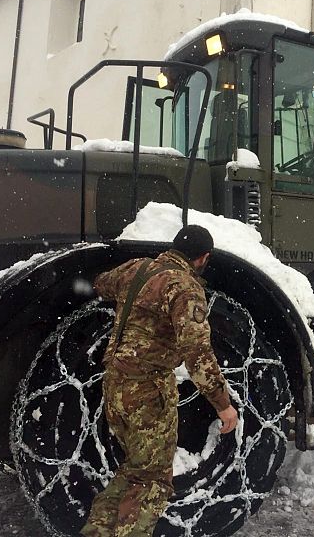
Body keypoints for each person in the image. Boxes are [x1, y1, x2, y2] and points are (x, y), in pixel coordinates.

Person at [81, 225, 238, 537]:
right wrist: (223, 405)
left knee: (135, 470)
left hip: (115, 384)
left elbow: (101, 284)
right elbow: (197, 354)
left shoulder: (137, 269)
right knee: (152, 480)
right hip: (147, 391)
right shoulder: (186, 289)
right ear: (203, 258)